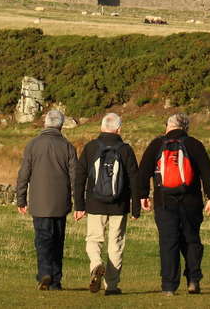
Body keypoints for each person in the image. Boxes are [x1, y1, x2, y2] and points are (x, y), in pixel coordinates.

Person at [138, 112, 210, 296]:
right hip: (191, 201)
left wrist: (143, 195)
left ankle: (168, 286)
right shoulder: (194, 144)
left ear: (168, 126)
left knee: (168, 242)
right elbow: (207, 172)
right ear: (186, 128)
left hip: (164, 201)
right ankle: (193, 278)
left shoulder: (156, 144)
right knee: (191, 239)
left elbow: (143, 172)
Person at [73, 112, 140, 295]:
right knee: (116, 243)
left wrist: (79, 205)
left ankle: (96, 264)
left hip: (95, 204)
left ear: (102, 127)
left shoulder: (91, 147)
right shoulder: (126, 150)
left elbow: (79, 178)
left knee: (94, 239)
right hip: (119, 205)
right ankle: (111, 285)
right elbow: (135, 179)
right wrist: (135, 208)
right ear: (119, 129)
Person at [15, 109, 79, 291]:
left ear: (45, 123)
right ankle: (56, 281)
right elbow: (75, 177)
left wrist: (21, 199)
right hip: (60, 202)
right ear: (60, 125)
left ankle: (44, 273)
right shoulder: (67, 146)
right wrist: (78, 202)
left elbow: (23, 174)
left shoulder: (33, 145)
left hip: (39, 202)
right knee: (58, 241)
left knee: (42, 239)